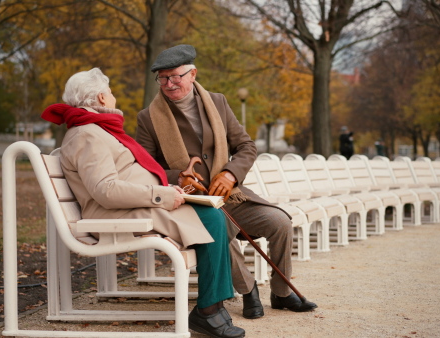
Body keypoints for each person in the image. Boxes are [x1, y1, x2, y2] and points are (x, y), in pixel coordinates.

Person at [41, 68, 245, 338]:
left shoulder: (96, 130)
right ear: (102, 98)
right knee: (210, 219)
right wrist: (159, 195)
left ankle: (212, 308)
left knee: (211, 214)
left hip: (134, 205)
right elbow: (105, 190)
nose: (113, 97)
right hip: (114, 213)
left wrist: (166, 189)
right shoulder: (87, 135)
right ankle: (209, 311)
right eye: (111, 92)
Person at [136, 44, 317, 320]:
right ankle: (248, 291)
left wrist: (230, 173)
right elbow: (145, 167)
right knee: (222, 231)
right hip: (191, 202)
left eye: (176, 77)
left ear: (193, 74)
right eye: (163, 78)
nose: (169, 84)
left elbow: (246, 146)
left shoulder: (217, 102)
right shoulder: (148, 118)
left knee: (280, 223)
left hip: (230, 195)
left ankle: (281, 293)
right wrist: (178, 176)